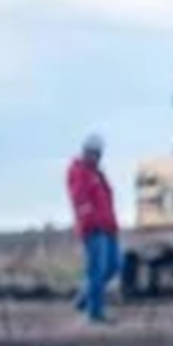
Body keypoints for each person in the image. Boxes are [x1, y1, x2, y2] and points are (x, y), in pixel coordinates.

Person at [66, 134, 121, 324]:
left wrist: (112, 225)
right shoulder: (79, 172)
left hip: (107, 228)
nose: (96, 157)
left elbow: (106, 200)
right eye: (93, 153)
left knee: (114, 265)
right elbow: (80, 200)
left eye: (98, 154)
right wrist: (91, 222)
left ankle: (84, 299)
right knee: (97, 270)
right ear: (86, 152)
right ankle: (94, 313)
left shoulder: (97, 174)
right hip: (94, 230)